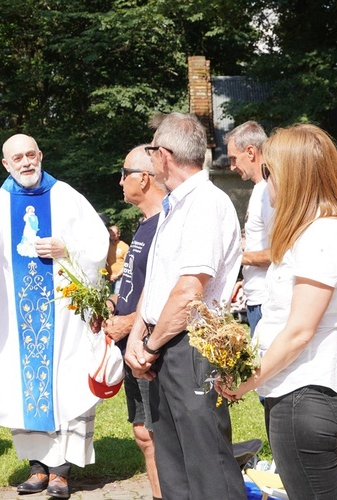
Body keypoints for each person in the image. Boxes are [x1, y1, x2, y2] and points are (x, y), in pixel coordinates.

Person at [0, 134, 108, 499]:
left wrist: (66, 248)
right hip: (16, 314)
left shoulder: (66, 196)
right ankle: (38, 468)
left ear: (41, 155)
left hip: (64, 314)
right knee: (24, 386)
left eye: (30, 155)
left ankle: (62, 471)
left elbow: (99, 243)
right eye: (16, 157)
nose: (25, 162)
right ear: (6, 164)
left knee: (64, 382)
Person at [220, 123, 337, 499]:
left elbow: (299, 331)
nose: (266, 184)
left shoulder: (323, 236)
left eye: (270, 173)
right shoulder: (315, 232)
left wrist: (245, 381)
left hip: (307, 392)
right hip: (298, 390)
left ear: (294, 176)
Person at [124, 113, 246, 500]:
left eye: (150, 152)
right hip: (164, 344)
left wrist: (151, 345)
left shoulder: (206, 203)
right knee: (173, 463)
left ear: (163, 155)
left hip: (192, 345)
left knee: (207, 464)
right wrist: (137, 336)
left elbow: (190, 289)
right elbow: (159, 282)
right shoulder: (174, 206)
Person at [102, 145, 165, 500]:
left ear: (143, 177)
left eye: (124, 173)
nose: (120, 181)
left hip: (148, 344)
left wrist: (130, 323)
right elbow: (135, 280)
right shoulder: (142, 224)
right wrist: (111, 303)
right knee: (142, 432)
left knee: (157, 433)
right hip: (129, 342)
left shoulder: (164, 224)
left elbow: (160, 284)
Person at [225, 121, 273, 331]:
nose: (232, 166)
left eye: (234, 158)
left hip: (268, 299)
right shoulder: (259, 190)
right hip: (256, 298)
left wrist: (235, 258)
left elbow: (281, 251)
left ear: (251, 152)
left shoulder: (268, 192)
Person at [106, 225, 129, 293]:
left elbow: (127, 264)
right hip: (108, 277)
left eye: (113, 235)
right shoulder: (107, 245)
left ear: (118, 234)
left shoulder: (124, 246)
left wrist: (117, 275)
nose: (112, 238)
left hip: (120, 278)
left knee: (117, 298)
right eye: (110, 236)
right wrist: (107, 275)